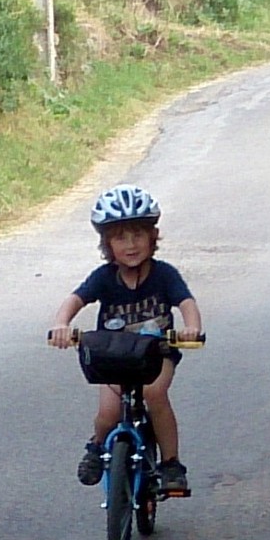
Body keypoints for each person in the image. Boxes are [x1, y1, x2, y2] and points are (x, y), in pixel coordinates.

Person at [49, 185, 203, 494]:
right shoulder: (104, 277)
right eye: (120, 237)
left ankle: (171, 464)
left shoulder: (164, 275)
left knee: (154, 394)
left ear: (152, 237)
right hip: (114, 356)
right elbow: (75, 299)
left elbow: (186, 303)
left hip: (155, 354)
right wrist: (61, 325)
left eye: (137, 235)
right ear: (107, 244)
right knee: (108, 413)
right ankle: (96, 448)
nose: (130, 245)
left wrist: (192, 328)